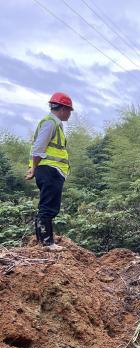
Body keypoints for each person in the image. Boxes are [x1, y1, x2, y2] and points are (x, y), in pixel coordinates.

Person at [25, 92, 73, 251]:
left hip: (49, 171)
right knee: (49, 207)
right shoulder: (51, 123)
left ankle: (42, 240)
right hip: (50, 171)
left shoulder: (53, 123)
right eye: (69, 110)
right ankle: (47, 243)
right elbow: (38, 148)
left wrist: (35, 168)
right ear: (63, 108)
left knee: (47, 206)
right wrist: (34, 168)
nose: (70, 114)